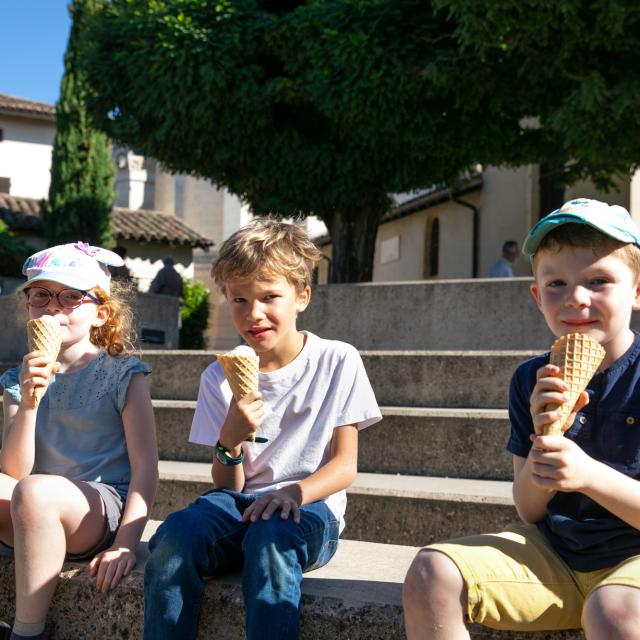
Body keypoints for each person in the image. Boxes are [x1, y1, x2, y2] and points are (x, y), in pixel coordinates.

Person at [403, 198, 640, 639]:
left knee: (613, 612)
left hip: (633, 565)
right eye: (556, 283)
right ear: (537, 296)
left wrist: (587, 475)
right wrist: (543, 449)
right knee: (429, 572)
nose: (576, 298)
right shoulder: (530, 379)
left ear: (637, 290)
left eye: (599, 280)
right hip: (559, 557)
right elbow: (529, 509)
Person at [143, 219, 382, 639]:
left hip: (309, 509)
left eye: (270, 297)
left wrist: (292, 493)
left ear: (302, 296)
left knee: (270, 540)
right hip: (237, 505)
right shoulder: (217, 379)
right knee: (174, 538)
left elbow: (345, 466)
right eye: (239, 299)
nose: (253, 314)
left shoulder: (338, 361)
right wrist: (230, 437)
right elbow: (225, 485)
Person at [0, 242, 158, 640]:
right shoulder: (15, 380)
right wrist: (30, 401)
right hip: (32, 505)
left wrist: (125, 544)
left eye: (71, 297)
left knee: (36, 491)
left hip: (98, 510)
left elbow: (145, 469)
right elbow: (13, 472)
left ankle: (27, 632)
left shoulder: (123, 374)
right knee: (31, 489)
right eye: (41, 295)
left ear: (100, 312)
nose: (54, 307)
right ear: (27, 307)